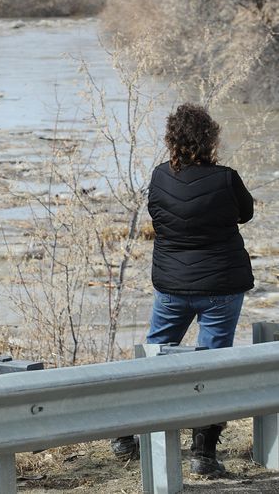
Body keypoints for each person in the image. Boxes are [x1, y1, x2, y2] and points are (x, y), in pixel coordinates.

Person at [113, 104, 254, 475]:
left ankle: (126, 433)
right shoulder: (226, 179)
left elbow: (157, 214)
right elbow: (246, 213)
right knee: (210, 364)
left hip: (172, 285)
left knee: (153, 356)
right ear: (210, 139)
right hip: (221, 285)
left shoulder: (160, 177)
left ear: (171, 139)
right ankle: (203, 454)